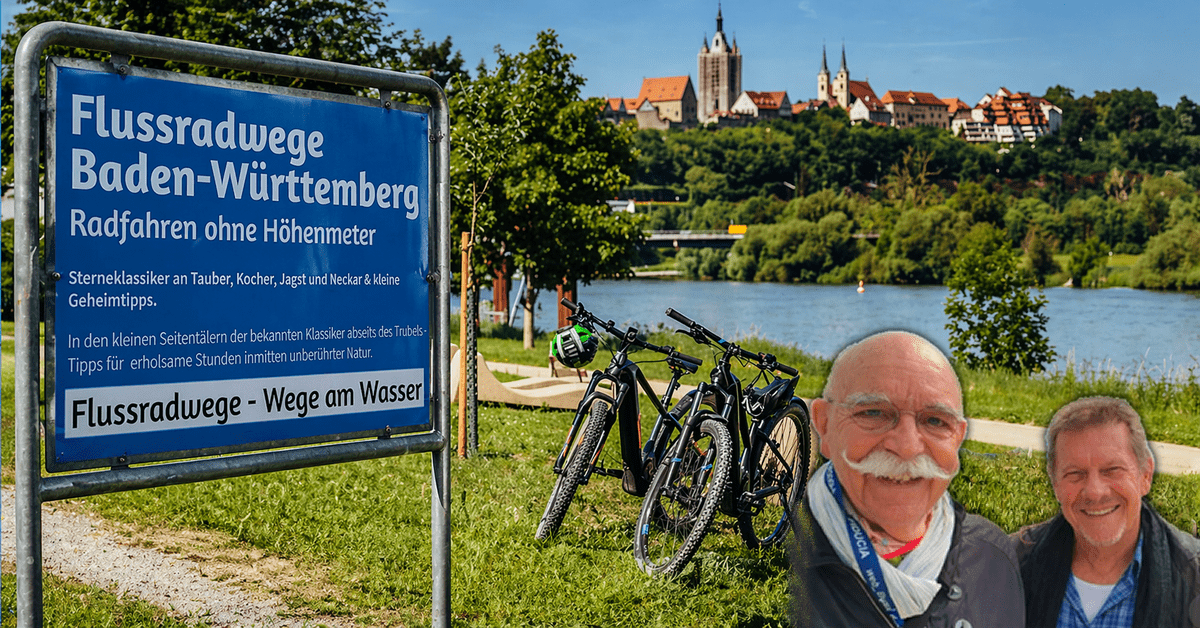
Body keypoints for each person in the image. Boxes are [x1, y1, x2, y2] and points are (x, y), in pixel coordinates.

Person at [791, 330, 1024, 628]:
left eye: (935, 421)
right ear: (824, 424)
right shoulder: (789, 550)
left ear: (958, 438)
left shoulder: (991, 555)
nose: (907, 447)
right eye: (874, 413)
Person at [1014, 396, 1200, 628]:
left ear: (1145, 475)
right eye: (1075, 474)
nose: (1095, 492)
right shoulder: (1009, 565)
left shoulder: (1194, 577)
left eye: (1112, 470)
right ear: (1055, 483)